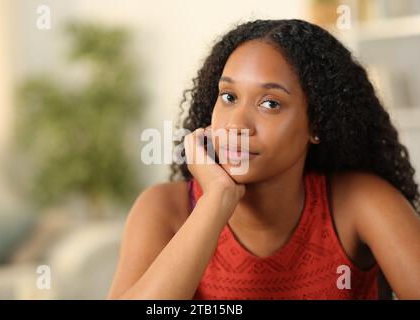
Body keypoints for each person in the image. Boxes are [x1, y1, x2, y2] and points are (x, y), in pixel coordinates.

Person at [107, 19, 420, 299]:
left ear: (317, 124)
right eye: (228, 97)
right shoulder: (164, 209)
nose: (236, 125)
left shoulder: (360, 202)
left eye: (270, 103)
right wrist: (216, 200)